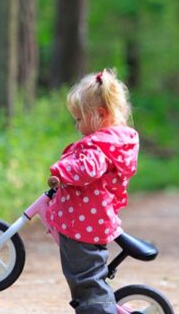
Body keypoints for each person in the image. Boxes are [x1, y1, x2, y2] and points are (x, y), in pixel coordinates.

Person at [46, 69, 139, 314]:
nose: (77, 125)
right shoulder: (113, 141)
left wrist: (61, 169)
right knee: (87, 276)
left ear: (99, 115)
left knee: (86, 281)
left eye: (78, 119)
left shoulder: (98, 146)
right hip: (89, 220)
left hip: (82, 225)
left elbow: (88, 169)